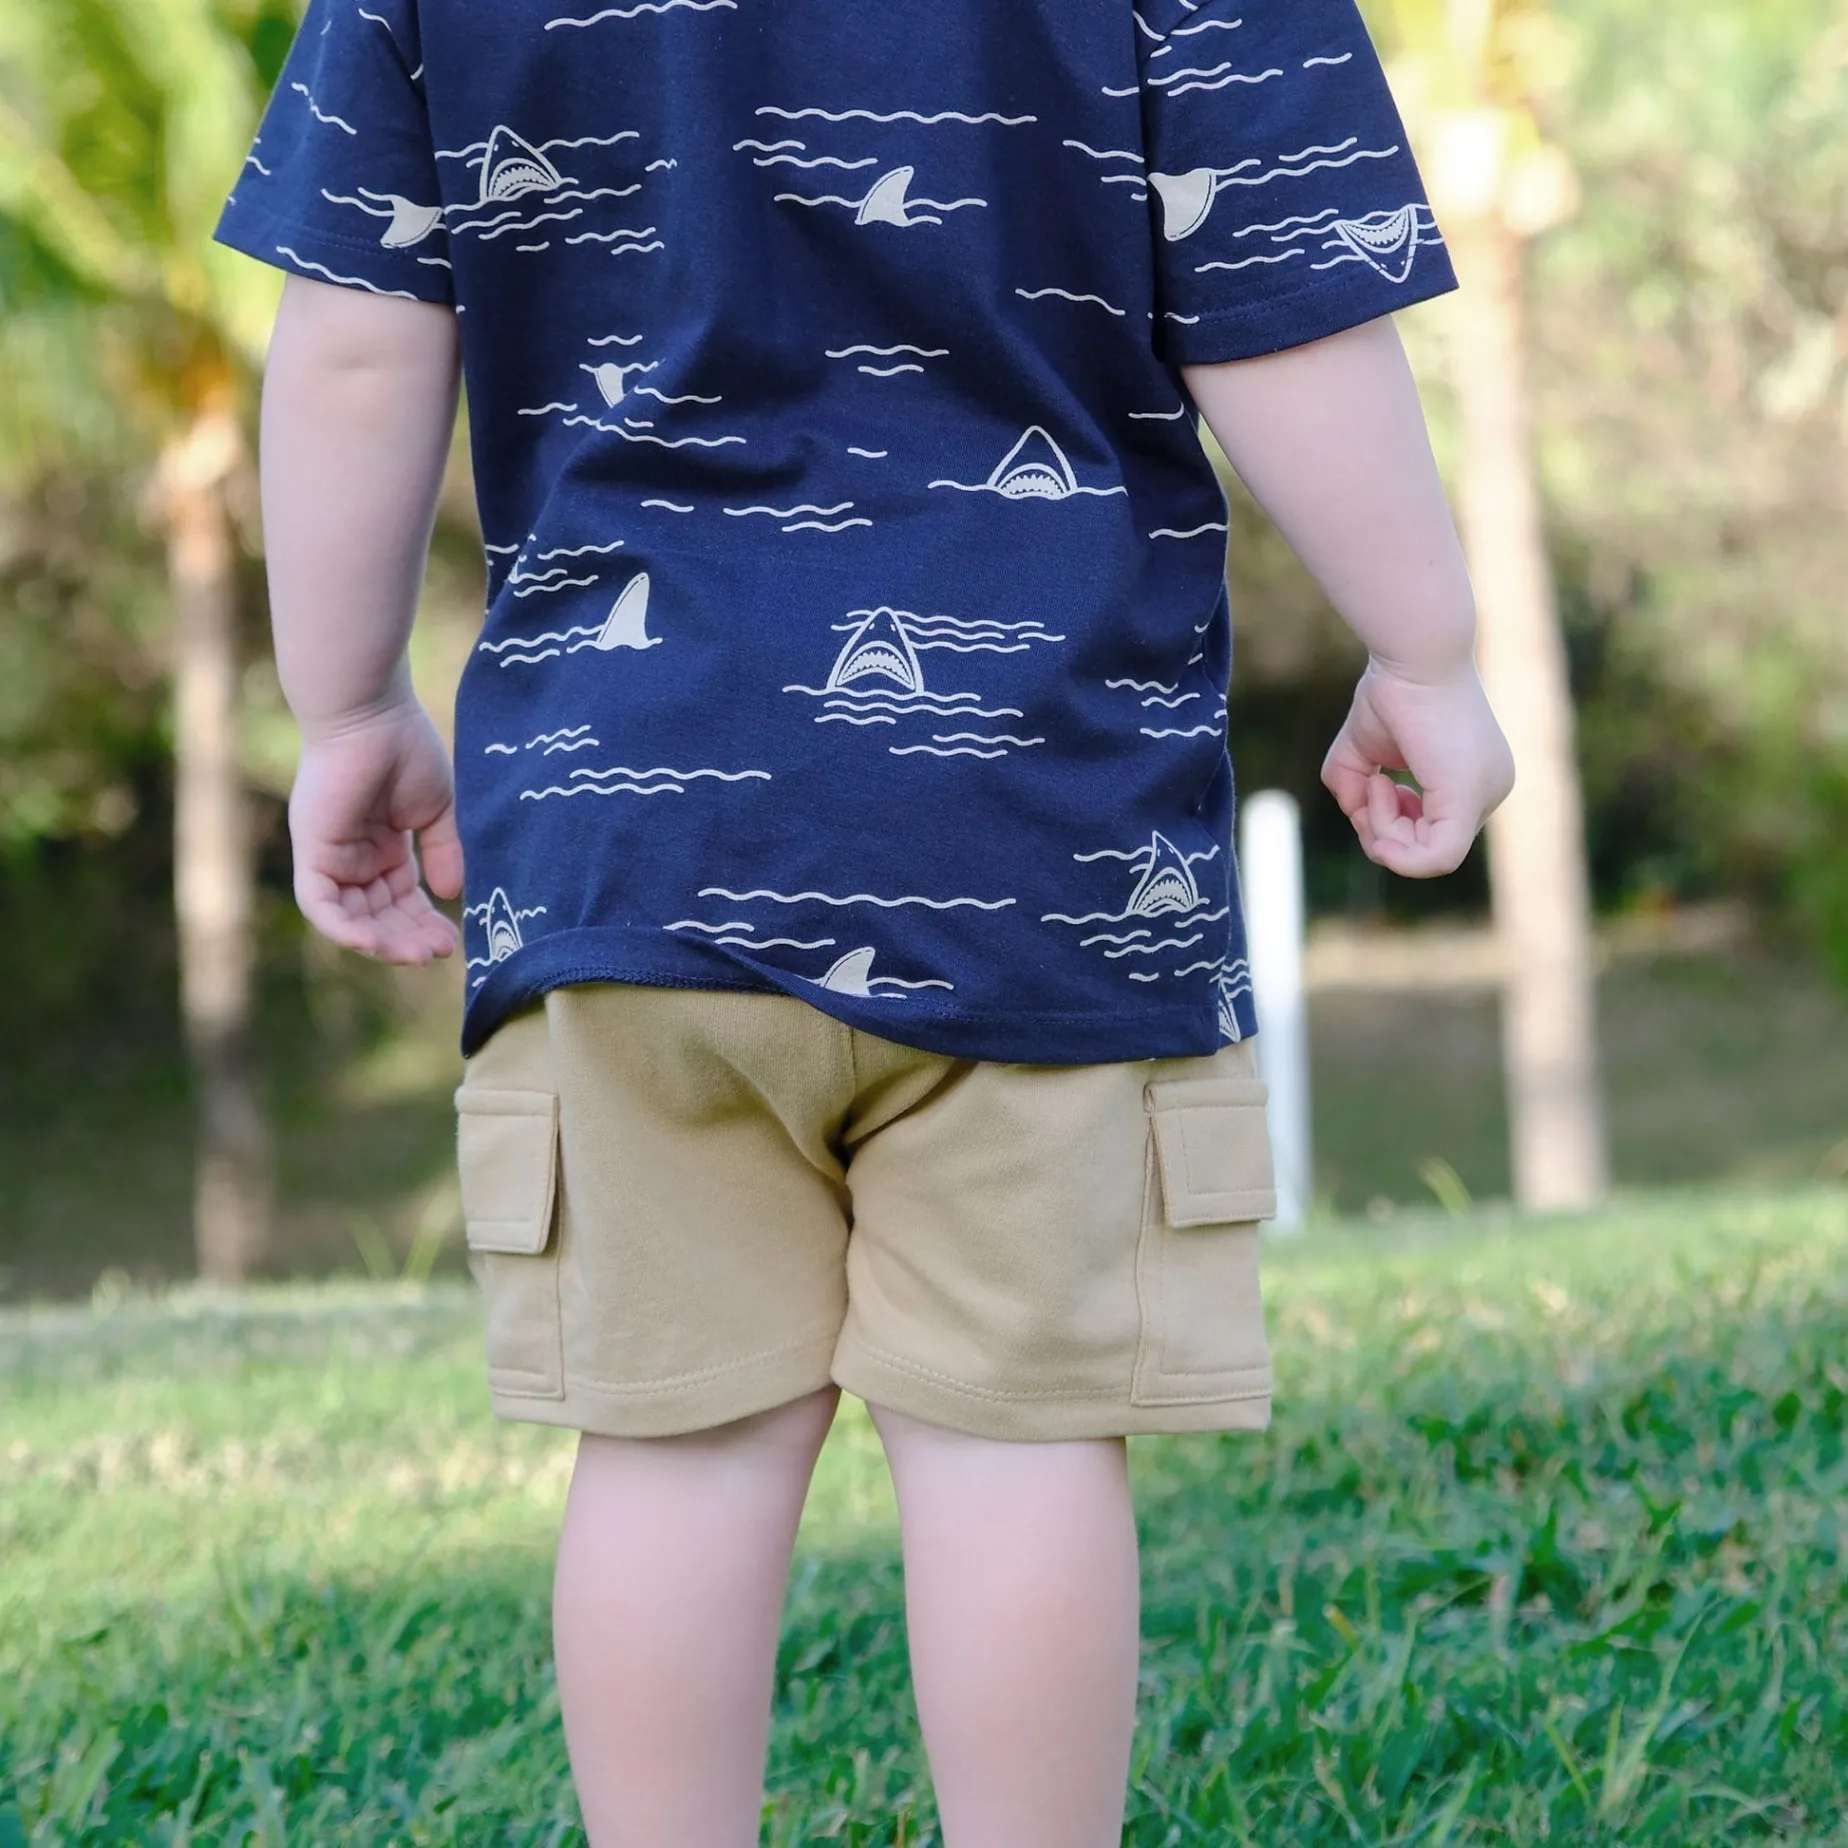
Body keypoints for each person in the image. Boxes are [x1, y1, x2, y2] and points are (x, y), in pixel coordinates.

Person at [220, 0, 1514, 1839]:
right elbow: (1287, 298)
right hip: (1038, 842)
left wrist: (347, 706)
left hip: (632, 837)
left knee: (672, 1450)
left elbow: (355, 333)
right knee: (1015, 1440)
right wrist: (1426, 650)